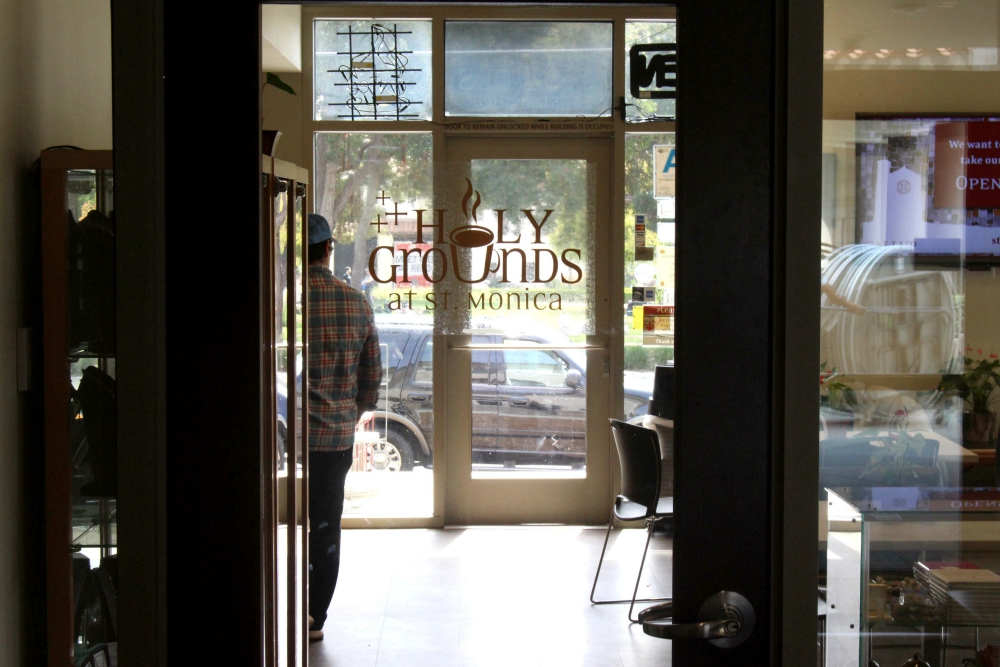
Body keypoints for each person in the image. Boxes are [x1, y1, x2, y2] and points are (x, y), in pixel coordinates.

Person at [306, 214, 381, 641]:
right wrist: (356, 409)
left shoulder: (284, 300)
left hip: (283, 433)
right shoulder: (356, 301)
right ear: (330, 248)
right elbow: (372, 373)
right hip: (333, 435)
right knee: (325, 523)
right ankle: (315, 615)